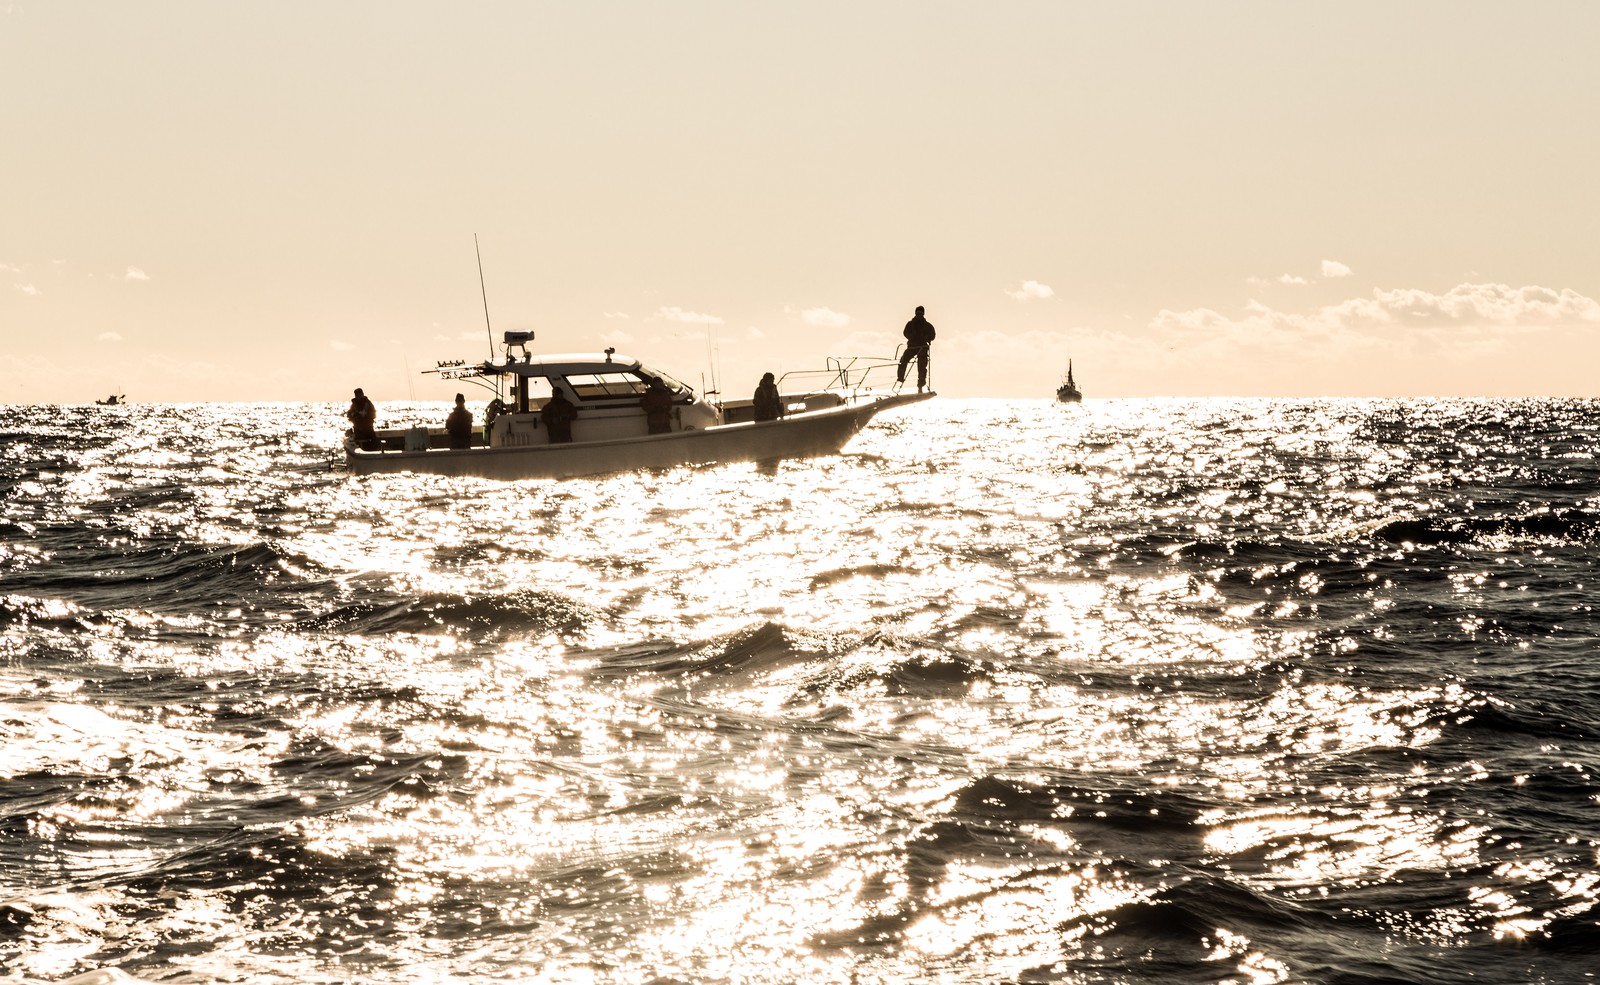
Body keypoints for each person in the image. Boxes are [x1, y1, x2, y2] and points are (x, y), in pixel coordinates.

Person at [896, 305, 936, 392]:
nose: (919, 315)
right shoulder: (910, 324)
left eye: (920, 313)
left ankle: (920, 386)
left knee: (922, 365)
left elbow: (933, 335)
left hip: (922, 347)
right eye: (918, 313)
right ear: (915, 313)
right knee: (904, 359)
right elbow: (905, 333)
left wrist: (926, 337)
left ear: (923, 314)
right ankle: (900, 378)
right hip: (912, 347)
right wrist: (912, 337)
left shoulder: (928, 326)